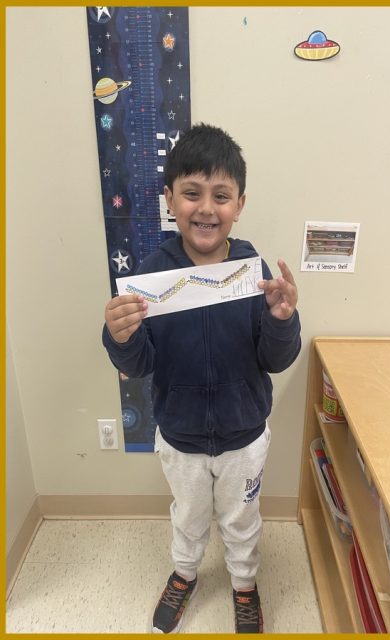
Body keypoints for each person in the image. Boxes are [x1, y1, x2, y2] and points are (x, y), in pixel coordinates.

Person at [102, 123, 301, 634]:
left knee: (241, 522)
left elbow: (276, 359)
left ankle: (244, 584)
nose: (206, 208)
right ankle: (185, 573)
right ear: (170, 199)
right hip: (181, 436)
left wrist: (281, 320)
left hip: (244, 436)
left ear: (240, 204)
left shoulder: (253, 270)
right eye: (191, 193)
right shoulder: (153, 276)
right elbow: (138, 363)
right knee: (188, 518)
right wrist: (120, 336)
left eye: (221, 196)